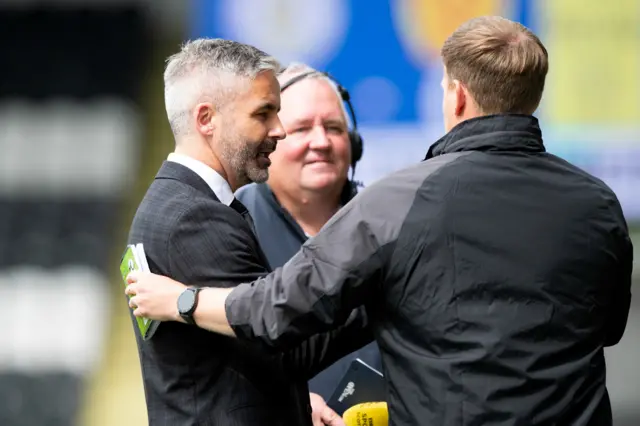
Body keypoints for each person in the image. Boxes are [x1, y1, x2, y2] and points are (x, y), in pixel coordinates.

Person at [125, 17, 634, 426]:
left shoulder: (396, 200)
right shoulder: (600, 202)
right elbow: (608, 329)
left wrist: (183, 300)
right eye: (281, 119)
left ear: (455, 95)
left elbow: (272, 312)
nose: (293, 135)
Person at [125, 38, 371, 426]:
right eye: (264, 114)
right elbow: (289, 348)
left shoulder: (188, 206)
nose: (279, 129)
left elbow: (249, 362)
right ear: (206, 119)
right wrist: (386, 287)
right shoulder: (193, 219)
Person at [234, 62, 382, 404]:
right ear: (266, 143)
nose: (321, 142)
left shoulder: (387, 226)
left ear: (353, 143)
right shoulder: (229, 228)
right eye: (301, 129)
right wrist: (290, 403)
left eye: (333, 127)